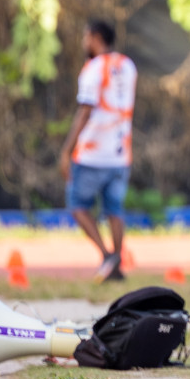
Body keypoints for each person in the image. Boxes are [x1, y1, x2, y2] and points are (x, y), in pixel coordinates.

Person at [58, 19, 137, 283]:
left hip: (92, 154)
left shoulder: (93, 69)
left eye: (85, 37)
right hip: (119, 153)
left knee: (77, 205)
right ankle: (116, 263)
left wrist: (67, 149)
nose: (83, 43)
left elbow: (85, 111)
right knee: (115, 210)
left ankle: (106, 256)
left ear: (93, 37)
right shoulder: (128, 67)